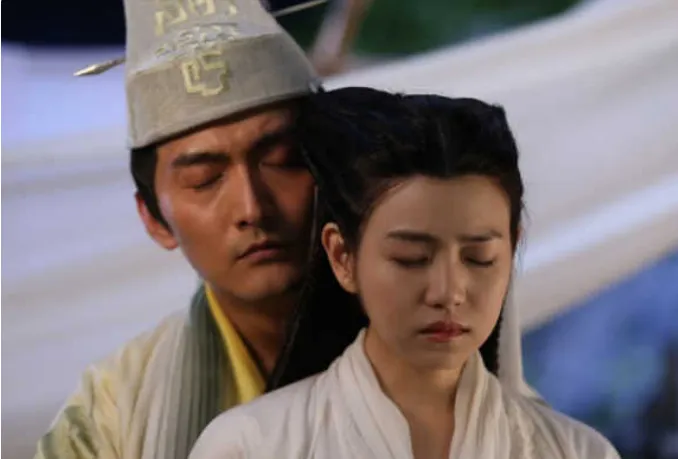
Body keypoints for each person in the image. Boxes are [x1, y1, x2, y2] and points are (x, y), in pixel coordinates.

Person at [188, 87, 621, 459]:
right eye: (412, 258)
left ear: (512, 249)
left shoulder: (577, 451)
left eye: (479, 257)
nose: (448, 292)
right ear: (342, 256)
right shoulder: (251, 445)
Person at [33, 1, 366, 458]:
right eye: (204, 179)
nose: (252, 207)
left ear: (336, 165)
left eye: (283, 160)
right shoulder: (114, 413)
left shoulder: (449, 335)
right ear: (154, 220)